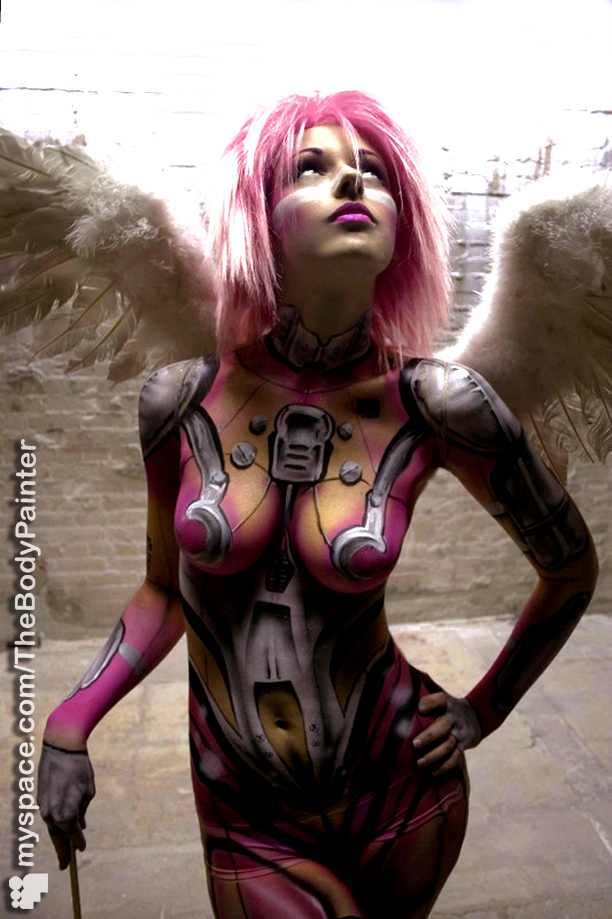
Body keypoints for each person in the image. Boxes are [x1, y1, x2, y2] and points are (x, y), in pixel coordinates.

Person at [37, 91, 598, 919]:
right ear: (258, 215)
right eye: (312, 167)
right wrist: (70, 719)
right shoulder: (179, 402)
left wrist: (483, 709)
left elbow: (571, 567)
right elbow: (163, 591)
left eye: (374, 172)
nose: (352, 182)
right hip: (244, 809)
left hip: (404, 789)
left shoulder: (441, 403)